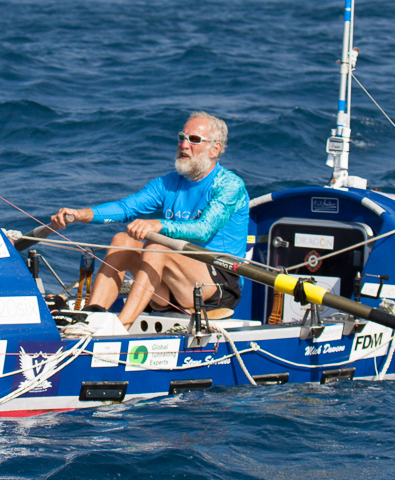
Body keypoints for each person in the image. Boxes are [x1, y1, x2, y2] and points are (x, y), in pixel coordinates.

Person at [49, 112, 249, 328]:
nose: (184, 144)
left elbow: (204, 230)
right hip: (172, 285)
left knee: (157, 243)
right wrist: (82, 214)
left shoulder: (229, 185)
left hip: (216, 285)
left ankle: (121, 327)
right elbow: (127, 207)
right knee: (122, 239)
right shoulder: (168, 183)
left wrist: (158, 224)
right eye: (182, 137)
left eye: (194, 140)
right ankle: (91, 318)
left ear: (215, 149)